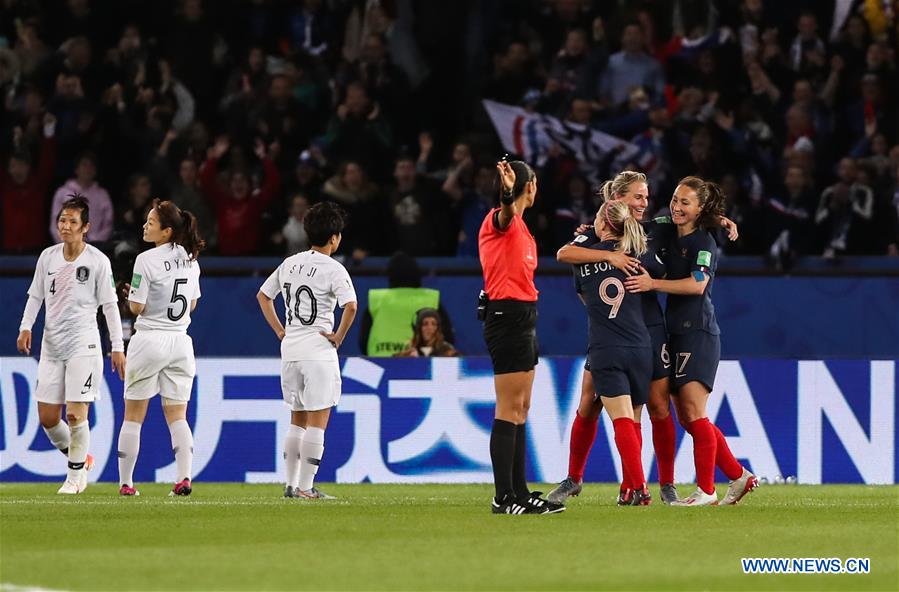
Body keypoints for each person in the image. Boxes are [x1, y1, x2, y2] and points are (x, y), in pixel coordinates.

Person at [550, 171, 740, 505]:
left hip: (650, 329)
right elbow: (564, 253)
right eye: (638, 197)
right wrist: (608, 255)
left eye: (647, 197)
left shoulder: (653, 230)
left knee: (658, 406)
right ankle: (576, 478)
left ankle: (663, 484)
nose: (644, 204)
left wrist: (716, 219)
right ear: (618, 199)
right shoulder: (597, 232)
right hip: (612, 330)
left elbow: (687, 221)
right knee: (589, 403)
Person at [624, 176, 758, 506]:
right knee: (686, 416)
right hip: (676, 332)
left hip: (698, 332)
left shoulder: (704, 243)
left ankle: (707, 490)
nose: (676, 207)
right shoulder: (666, 228)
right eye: (675, 199)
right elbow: (638, 223)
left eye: (686, 202)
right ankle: (738, 475)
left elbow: (698, 285)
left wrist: (653, 284)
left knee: (695, 414)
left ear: (700, 209)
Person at [17, 195, 126, 494]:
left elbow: (110, 306)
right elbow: (36, 296)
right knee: (48, 419)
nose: (65, 226)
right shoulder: (48, 257)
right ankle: (81, 459)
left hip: (84, 345)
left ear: (85, 227)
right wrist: (26, 327)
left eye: (72, 222)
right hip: (52, 347)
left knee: (76, 414)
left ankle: (75, 478)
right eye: (62, 220)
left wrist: (117, 346)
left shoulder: (97, 261)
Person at [479, 157, 564, 515]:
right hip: (508, 316)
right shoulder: (501, 220)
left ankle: (520, 491)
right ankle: (504, 498)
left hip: (524, 315)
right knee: (508, 406)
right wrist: (508, 191)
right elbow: (505, 212)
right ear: (530, 187)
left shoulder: (524, 230)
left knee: (522, 407)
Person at [257, 202, 358, 499]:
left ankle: (290, 484)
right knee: (318, 421)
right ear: (334, 238)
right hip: (318, 350)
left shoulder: (290, 263)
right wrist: (338, 337)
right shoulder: (334, 268)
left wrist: (280, 331)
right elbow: (351, 306)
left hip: (291, 350)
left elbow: (263, 296)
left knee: (297, 419)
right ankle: (306, 487)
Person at [117, 200, 205, 497]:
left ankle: (126, 484)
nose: (145, 226)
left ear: (166, 231)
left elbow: (137, 307)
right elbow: (192, 303)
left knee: (133, 416)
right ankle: (184, 478)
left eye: (151, 222)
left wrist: (130, 295)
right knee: (178, 416)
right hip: (180, 342)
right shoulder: (192, 260)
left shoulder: (146, 260)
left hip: (149, 340)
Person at [573, 200, 654, 505]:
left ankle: (640, 488)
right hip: (641, 346)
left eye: (596, 216)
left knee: (621, 420)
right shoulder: (638, 255)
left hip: (607, 347)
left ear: (604, 225)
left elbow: (585, 297)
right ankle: (630, 489)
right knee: (633, 420)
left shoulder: (583, 260)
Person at [394, 308, 459, 358]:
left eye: (433, 324)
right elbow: (393, 363)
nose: (429, 328)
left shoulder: (447, 350)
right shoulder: (409, 351)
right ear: (419, 328)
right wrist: (408, 361)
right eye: (425, 324)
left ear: (438, 328)